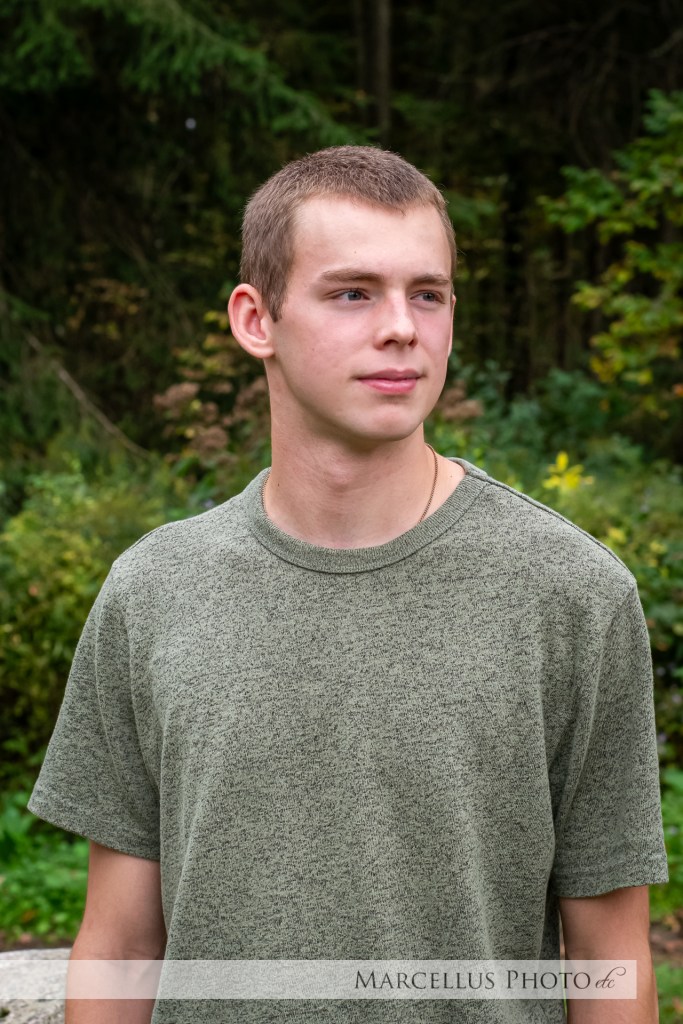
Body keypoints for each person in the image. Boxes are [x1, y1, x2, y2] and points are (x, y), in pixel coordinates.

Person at [28, 145, 669, 1023]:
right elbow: (121, 949)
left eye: (427, 294)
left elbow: (607, 961)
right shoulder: (153, 593)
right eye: (353, 293)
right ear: (256, 319)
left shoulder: (572, 595)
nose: (401, 326)